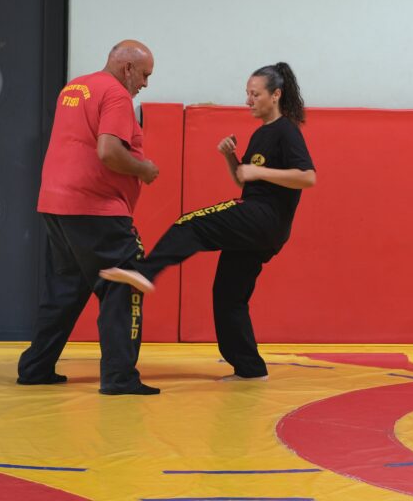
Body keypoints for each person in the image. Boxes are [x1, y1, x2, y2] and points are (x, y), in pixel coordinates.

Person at [99, 62, 316, 381]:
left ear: (276, 95)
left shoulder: (286, 130)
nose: (248, 101)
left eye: (255, 94)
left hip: (263, 219)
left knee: (191, 222)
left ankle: (146, 272)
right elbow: (245, 181)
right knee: (229, 296)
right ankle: (250, 368)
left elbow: (307, 177)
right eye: (247, 94)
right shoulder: (261, 134)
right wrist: (232, 158)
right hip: (257, 225)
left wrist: (259, 171)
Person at [17, 40, 161, 395]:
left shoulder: (75, 87)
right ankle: (120, 377)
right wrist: (143, 169)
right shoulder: (115, 94)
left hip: (57, 204)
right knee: (123, 287)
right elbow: (109, 151)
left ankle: (36, 367)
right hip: (96, 209)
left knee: (65, 289)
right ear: (128, 68)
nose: (145, 83)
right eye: (144, 74)